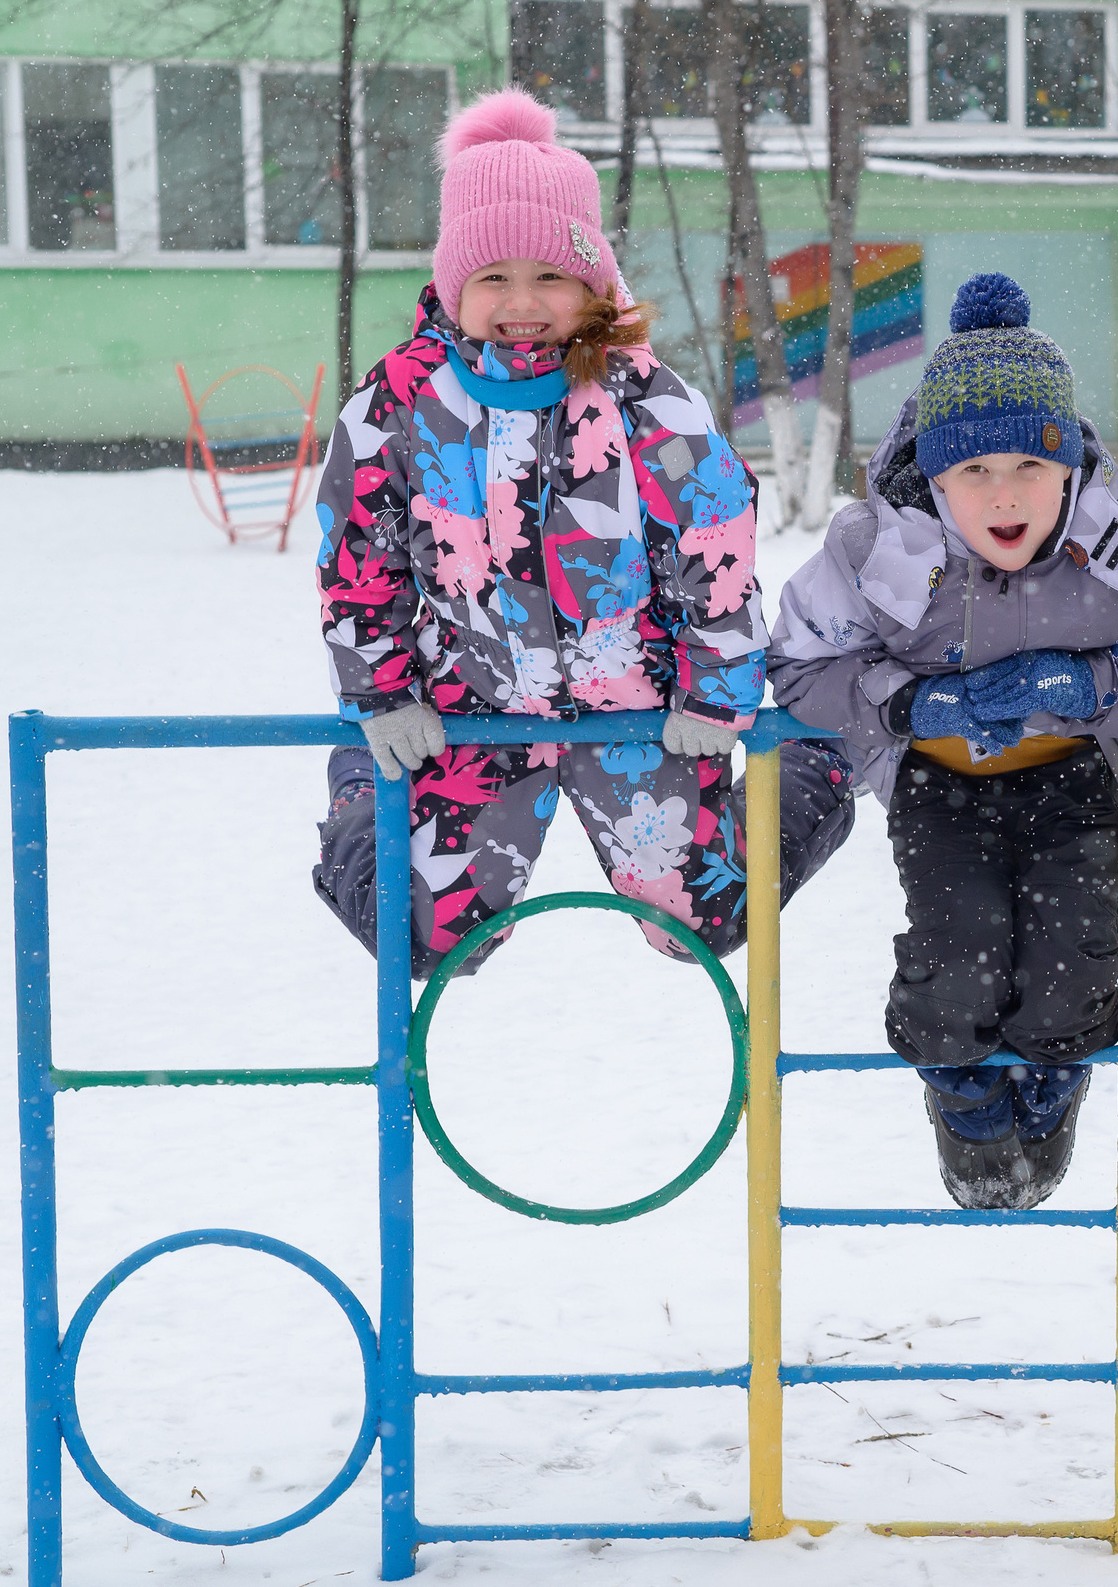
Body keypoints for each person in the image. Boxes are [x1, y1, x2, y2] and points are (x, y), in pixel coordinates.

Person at [312, 89, 853, 977]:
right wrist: (381, 692)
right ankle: (362, 800)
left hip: (635, 713)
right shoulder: (397, 406)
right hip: (474, 707)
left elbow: (713, 552)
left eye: (550, 277)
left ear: (592, 283)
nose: (522, 303)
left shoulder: (650, 403)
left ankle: (811, 770)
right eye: (493, 279)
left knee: (709, 918)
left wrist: (716, 691)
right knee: (420, 935)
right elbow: (359, 560)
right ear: (455, 284)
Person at [768, 273, 1118, 1212]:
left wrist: (1094, 687)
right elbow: (793, 670)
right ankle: (966, 1101)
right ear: (934, 478)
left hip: (1072, 784)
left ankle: (1057, 1085)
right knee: (959, 956)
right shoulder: (881, 552)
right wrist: (908, 705)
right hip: (942, 789)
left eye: (1030, 466)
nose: (1004, 494)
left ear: (1072, 469)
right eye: (972, 472)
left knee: (1074, 966)